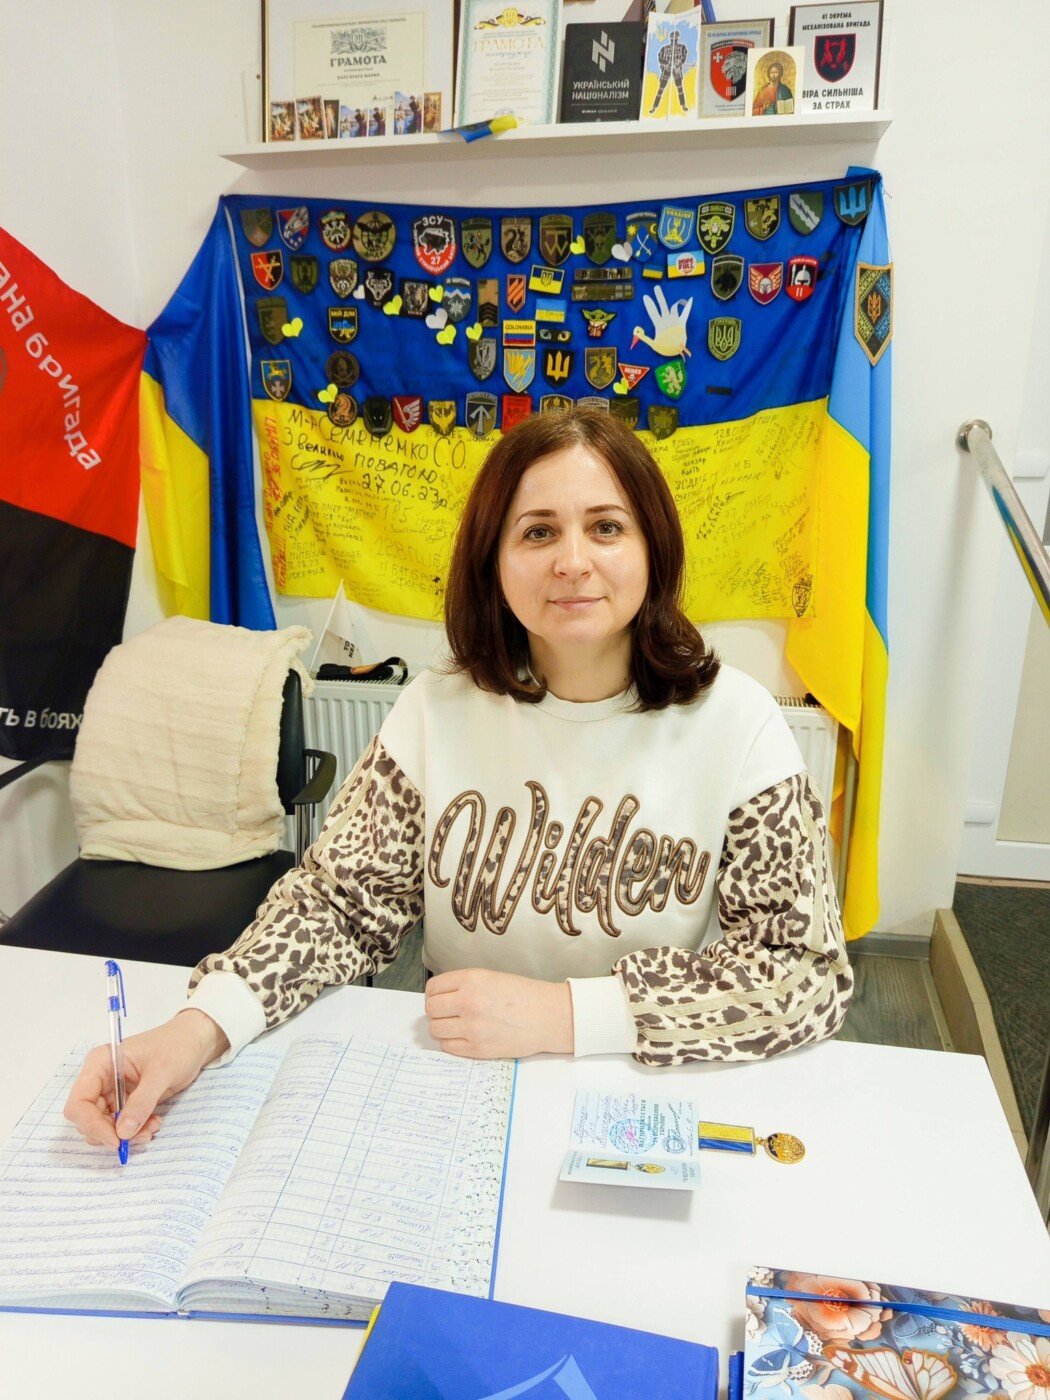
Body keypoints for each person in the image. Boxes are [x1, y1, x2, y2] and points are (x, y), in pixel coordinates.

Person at [65, 408, 853, 1153]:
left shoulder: (739, 723)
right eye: (537, 531)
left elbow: (804, 974)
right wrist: (198, 1028)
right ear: (493, 561)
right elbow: (337, 907)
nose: (572, 561)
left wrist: (563, 1014)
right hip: (461, 1081)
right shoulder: (435, 710)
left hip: (645, 1082)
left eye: (607, 527)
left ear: (654, 548)